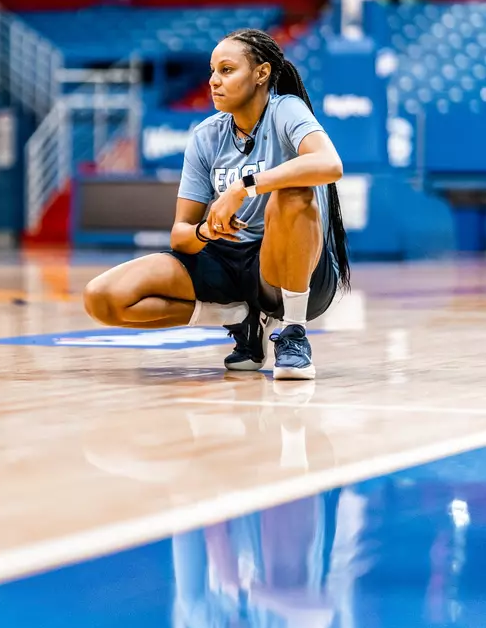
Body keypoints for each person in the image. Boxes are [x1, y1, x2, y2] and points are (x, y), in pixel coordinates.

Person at [83, 28, 350, 380]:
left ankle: (293, 333)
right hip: (226, 261)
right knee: (103, 297)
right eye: (212, 71)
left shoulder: (286, 109)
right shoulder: (206, 135)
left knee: (294, 191)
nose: (213, 81)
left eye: (226, 70)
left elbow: (330, 165)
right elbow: (181, 235)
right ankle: (239, 318)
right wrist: (206, 229)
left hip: (292, 274)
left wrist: (243, 187)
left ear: (261, 74)